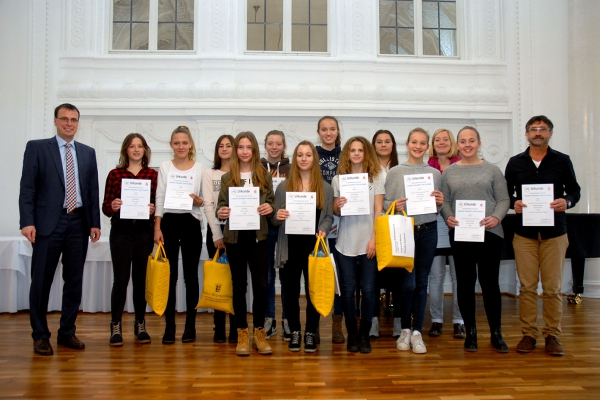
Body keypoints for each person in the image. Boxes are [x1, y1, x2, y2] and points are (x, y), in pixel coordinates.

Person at [19, 103, 101, 356]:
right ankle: (40, 335)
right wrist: (27, 222)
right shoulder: (37, 148)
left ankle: (67, 331)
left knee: (74, 281)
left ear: (78, 123)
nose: (69, 123)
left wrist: (94, 223)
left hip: (78, 223)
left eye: (73, 119)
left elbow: (91, 190)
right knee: (41, 282)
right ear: (55, 121)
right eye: (64, 119)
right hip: (46, 225)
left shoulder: (88, 152)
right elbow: (27, 189)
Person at [505, 115, 581, 356]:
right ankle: (528, 334)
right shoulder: (515, 162)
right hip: (524, 234)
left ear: (550, 133)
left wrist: (566, 201)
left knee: (552, 287)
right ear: (526, 134)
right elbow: (505, 195)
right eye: (533, 129)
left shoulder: (562, 160)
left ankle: (552, 335)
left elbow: (575, 191)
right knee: (526, 287)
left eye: (542, 129)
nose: (538, 133)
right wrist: (514, 203)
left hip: (555, 232)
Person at [440, 126, 510, 353]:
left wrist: (496, 218)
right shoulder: (449, 172)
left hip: (489, 233)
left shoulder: (492, 170)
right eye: (463, 141)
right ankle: (470, 331)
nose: (467, 144)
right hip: (462, 235)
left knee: (490, 284)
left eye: (472, 140)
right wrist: (448, 216)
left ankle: (496, 333)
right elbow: (444, 201)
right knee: (465, 283)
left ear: (479, 143)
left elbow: (503, 199)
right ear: (457, 145)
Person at [384, 128, 444, 354]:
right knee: (406, 284)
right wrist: (394, 205)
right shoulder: (395, 172)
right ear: (407, 144)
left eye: (422, 143)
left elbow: (438, 207)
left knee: (421, 284)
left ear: (427, 146)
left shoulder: (435, 174)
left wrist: (440, 202)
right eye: (414, 142)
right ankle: (405, 329)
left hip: (428, 231)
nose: (418, 147)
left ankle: (417, 331)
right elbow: (385, 204)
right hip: (404, 231)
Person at [272, 141, 334, 352]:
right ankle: (295, 332)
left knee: (313, 293)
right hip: (289, 248)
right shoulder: (283, 187)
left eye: (308, 155)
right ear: (295, 158)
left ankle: (310, 333)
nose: (304, 158)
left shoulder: (325, 187)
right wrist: (278, 216)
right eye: (300, 155)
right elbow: (274, 218)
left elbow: (328, 216)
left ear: (314, 159)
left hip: (313, 248)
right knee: (289, 293)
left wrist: (324, 229)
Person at [217, 131, 275, 356]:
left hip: (258, 237)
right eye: (240, 147)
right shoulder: (227, 177)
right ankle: (242, 333)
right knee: (239, 287)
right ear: (235, 150)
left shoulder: (264, 175)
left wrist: (269, 208)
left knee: (261, 286)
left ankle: (259, 333)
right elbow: (221, 208)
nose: (244, 151)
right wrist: (222, 211)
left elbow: (270, 203)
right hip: (235, 239)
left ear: (254, 150)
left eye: (248, 147)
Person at [102, 133, 157, 346]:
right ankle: (115, 325)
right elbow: (105, 207)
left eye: (140, 146)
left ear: (144, 150)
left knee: (141, 280)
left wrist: (153, 209)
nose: (136, 150)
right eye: (132, 146)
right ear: (126, 150)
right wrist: (113, 206)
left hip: (144, 232)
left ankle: (140, 324)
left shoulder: (153, 175)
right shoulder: (115, 174)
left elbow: (158, 205)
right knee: (121, 280)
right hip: (121, 232)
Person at [332, 136, 385, 354]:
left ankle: (365, 335)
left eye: (360, 150)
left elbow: (378, 211)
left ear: (366, 153)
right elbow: (336, 212)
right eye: (352, 150)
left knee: (369, 290)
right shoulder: (339, 180)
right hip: (345, 242)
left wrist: (374, 238)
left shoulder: (377, 176)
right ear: (347, 154)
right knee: (346, 290)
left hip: (369, 241)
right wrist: (337, 205)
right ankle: (352, 333)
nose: (356, 153)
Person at [154, 126, 205, 344]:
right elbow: (159, 198)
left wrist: (198, 201)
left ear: (191, 144)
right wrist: (157, 227)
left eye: (184, 142)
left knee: (191, 276)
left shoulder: (200, 169)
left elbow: (204, 200)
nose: (181, 146)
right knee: (170, 276)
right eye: (177, 143)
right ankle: (169, 328)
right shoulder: (165, 167)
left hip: (191, 222)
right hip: (169, 223)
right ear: (171, 145)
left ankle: (190, 327)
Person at [426, 128, 465, 339]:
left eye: (445, 139)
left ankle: (459, 321)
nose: (441, 143)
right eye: (437, 140)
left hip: (458, 225)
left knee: (459, 276)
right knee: (436, 276)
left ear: (452, 143)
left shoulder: (461, 165)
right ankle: (437, 320)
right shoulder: (426, 168)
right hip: (435, 226)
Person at [201, 134, 237, 344]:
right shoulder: (209, 173)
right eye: (221, 146)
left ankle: (235, 326)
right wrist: (217, 235)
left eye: (228, 145)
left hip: (238, 232)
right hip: (215, 232)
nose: (224, 149)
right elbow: (208, 205)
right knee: (218, 279)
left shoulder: (241, 173)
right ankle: (219, 326)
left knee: (235, 280)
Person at [316, 116, 345, 344]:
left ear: (337, 131)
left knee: (339, 277)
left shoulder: (346, 155)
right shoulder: (312, 154)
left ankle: (337, 324)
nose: (328, 133)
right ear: (319, 132)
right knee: (317, 273)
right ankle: (313, 326)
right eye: (324, 129)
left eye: (332, 129)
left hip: (343, 224)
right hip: (318, 223)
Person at [370, 129, 402, 339]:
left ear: (393, 144)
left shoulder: (400, 169)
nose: (383, 145)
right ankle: (373, 321)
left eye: (387, 141)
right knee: (372, 277)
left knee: (398, 276)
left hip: (396, 229)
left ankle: (399, 320)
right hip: (373, 228)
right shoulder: (367, 170)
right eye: (379, 142)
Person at [260, 130, 292, 341]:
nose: (274, 147)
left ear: (283, 146)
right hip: (265, 226)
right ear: (265, 145)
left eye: (278, 143)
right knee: (268, 276)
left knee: (288, 276)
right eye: (270, 143)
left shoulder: (293, 168)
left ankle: (288, 321)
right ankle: (269, 319)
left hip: (288, 225)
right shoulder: (258, 168)